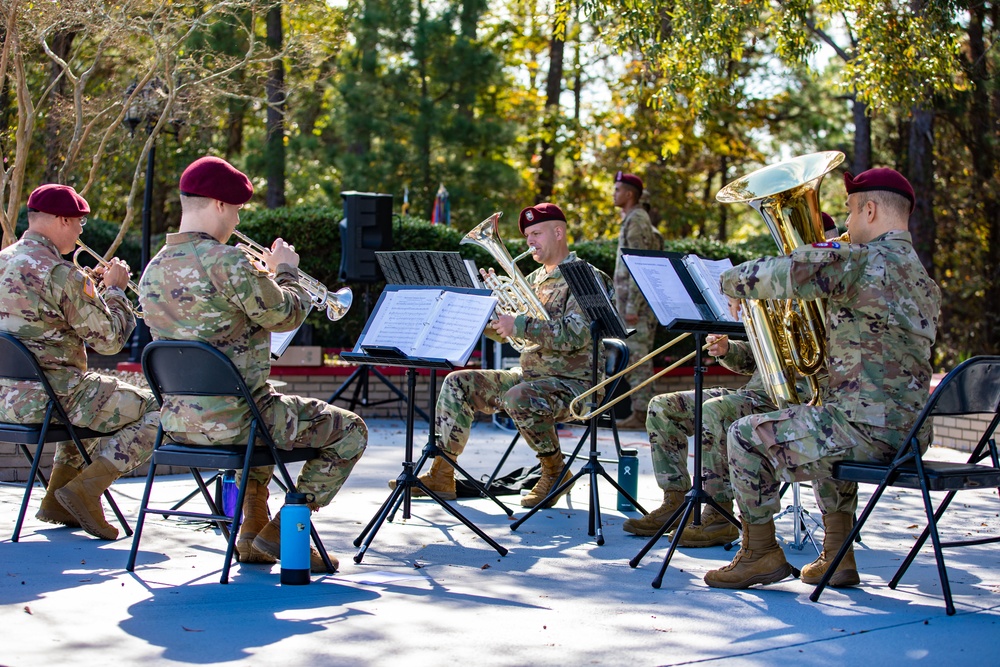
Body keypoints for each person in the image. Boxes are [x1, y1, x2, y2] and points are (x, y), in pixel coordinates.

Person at [704, 167, 941, 589]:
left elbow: (786, 272)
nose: (847, 224)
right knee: (825, 417)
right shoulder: (925, 281)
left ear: (869, 209)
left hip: (865, 433)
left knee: (743, 435)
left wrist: (730, 281)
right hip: (910, 437)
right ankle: (838, 554)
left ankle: (760, 552)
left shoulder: (860, 261)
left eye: (850, 212)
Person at [138, 156, 367, 572]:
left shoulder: (154, 268)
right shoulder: (228, 261)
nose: (238, 217)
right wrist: (285, 273)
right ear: (221, 206)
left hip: (178, 423)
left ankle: (252, 531)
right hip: (242, 419)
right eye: (238, 208)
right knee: (350, 431)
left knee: (267, 410)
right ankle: (285, 531)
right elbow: (286, 316)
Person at [395, 202, 613, 508]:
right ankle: (442, 474)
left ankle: (555, 472)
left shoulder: (586, 276)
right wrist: (489, 317)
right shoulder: (535, 279)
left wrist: (519, 323)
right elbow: (514, 335)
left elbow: (578, 333)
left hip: (575, 385)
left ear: (559, 232)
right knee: (459, 383)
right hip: (533, 378)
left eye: (536, 233)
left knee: (519, 397)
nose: (530, 242)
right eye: (527, 237)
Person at [0, 184, 158, 540]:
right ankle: (86, 489)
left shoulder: (4, 261)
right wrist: (115, 290)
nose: (80, 232)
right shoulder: (62, 274)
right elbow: (111, 340)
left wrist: (94, 294)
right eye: (79, 225)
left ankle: (58, 498)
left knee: (87, 396)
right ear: (61, 220)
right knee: (161, 408)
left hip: (5, 400)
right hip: (52, 399)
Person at [612, 172, 663, 430]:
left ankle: (643, 414)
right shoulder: (632, 219)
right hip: (630, 306)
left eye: (618, 189)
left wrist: (632, 306)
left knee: (638, 359)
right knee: (634, 358)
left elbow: (639, 264)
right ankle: (642, 412)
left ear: (630, 194)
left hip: (637, 309)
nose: (614, 193)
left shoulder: (637, 221)